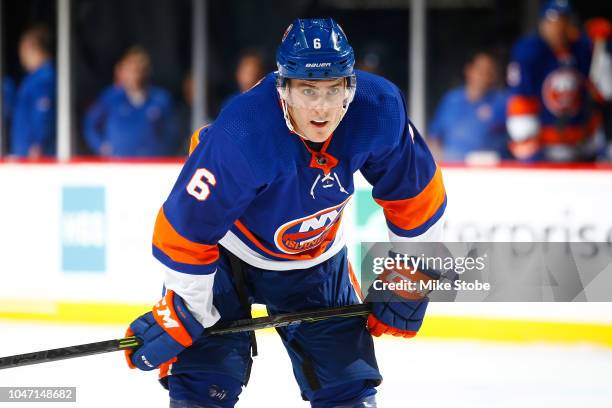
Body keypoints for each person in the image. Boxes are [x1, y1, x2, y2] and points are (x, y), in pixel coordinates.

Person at [124, 18, 446, 408]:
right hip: (228, 256)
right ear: (283, 87)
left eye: (333, 89)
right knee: (203, 385)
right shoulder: (243, 132)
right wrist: (187, 308)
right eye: (308, 89)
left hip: (316, 258)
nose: (322, 108)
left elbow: (416, 195)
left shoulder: (378, 110)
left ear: (351, 86)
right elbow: (186, 228)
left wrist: (412, 269)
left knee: (347, 391)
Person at [506, 0, 606, 162]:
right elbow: (521, 101)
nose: (559, 28)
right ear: (542, 24)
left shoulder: (583, 48)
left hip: (580, 145)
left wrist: (602, 47)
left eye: (564, 21)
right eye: (553, 22)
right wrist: (527, 142)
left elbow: (601, 92)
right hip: (544, 148)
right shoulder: (530, 51)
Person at [83, 46, 177, 157]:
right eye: (131, 69)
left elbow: (172, 132)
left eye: (139, 69)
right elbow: (90, 125)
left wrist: (162, 152)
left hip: (151, 165)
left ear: (147, 71)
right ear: (122, 71)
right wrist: (101, 146)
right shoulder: (111, 97)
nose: (135, 75)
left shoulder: (160, 99)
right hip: (118, 164)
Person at [428, 51, 509, 163]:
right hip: (453, 170)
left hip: (492, 172)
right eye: (481, 71)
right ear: (469, 70)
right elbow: (435, 138)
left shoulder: (503, 102)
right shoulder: (451, 100)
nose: (485, 76)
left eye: (489, 72)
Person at [10, 25, 56, 159]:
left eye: (23, 49)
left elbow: (43, 112)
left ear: (32, 48)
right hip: (25, 153)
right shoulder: (33, 78)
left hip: (35, 155)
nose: (21, 56)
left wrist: (38, 143)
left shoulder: (44, 77)